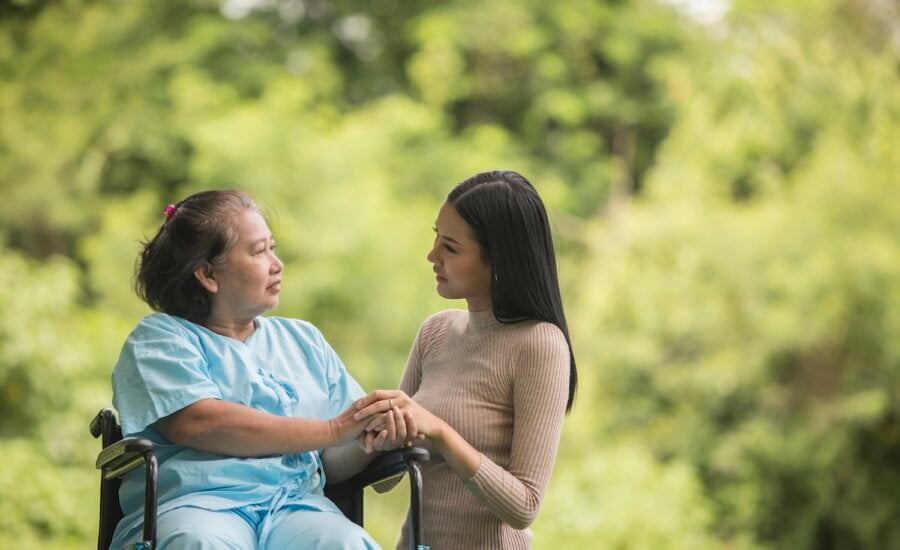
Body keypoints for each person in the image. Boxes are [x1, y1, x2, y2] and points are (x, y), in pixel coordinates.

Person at [110, 190, 412, 550]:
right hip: (198, 505)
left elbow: (333, 462)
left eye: (273, 247)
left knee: (345, 542)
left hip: (295, 508)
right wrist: (335, 428)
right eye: (259, 251)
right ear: (208, 274)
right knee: (199, 542)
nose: (277, 263)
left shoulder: (304, 340)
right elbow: (201, 423)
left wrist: (373, 440)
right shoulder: (160, 339)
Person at [355, 170, 577, 549]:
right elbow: (385, 480)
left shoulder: (540, 344)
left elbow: (524, 505)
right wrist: (378, 433)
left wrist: (440, 432)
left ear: (499, 260)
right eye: (436, 238)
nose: (432, 256)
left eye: (451, 248)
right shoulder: (436, 332)